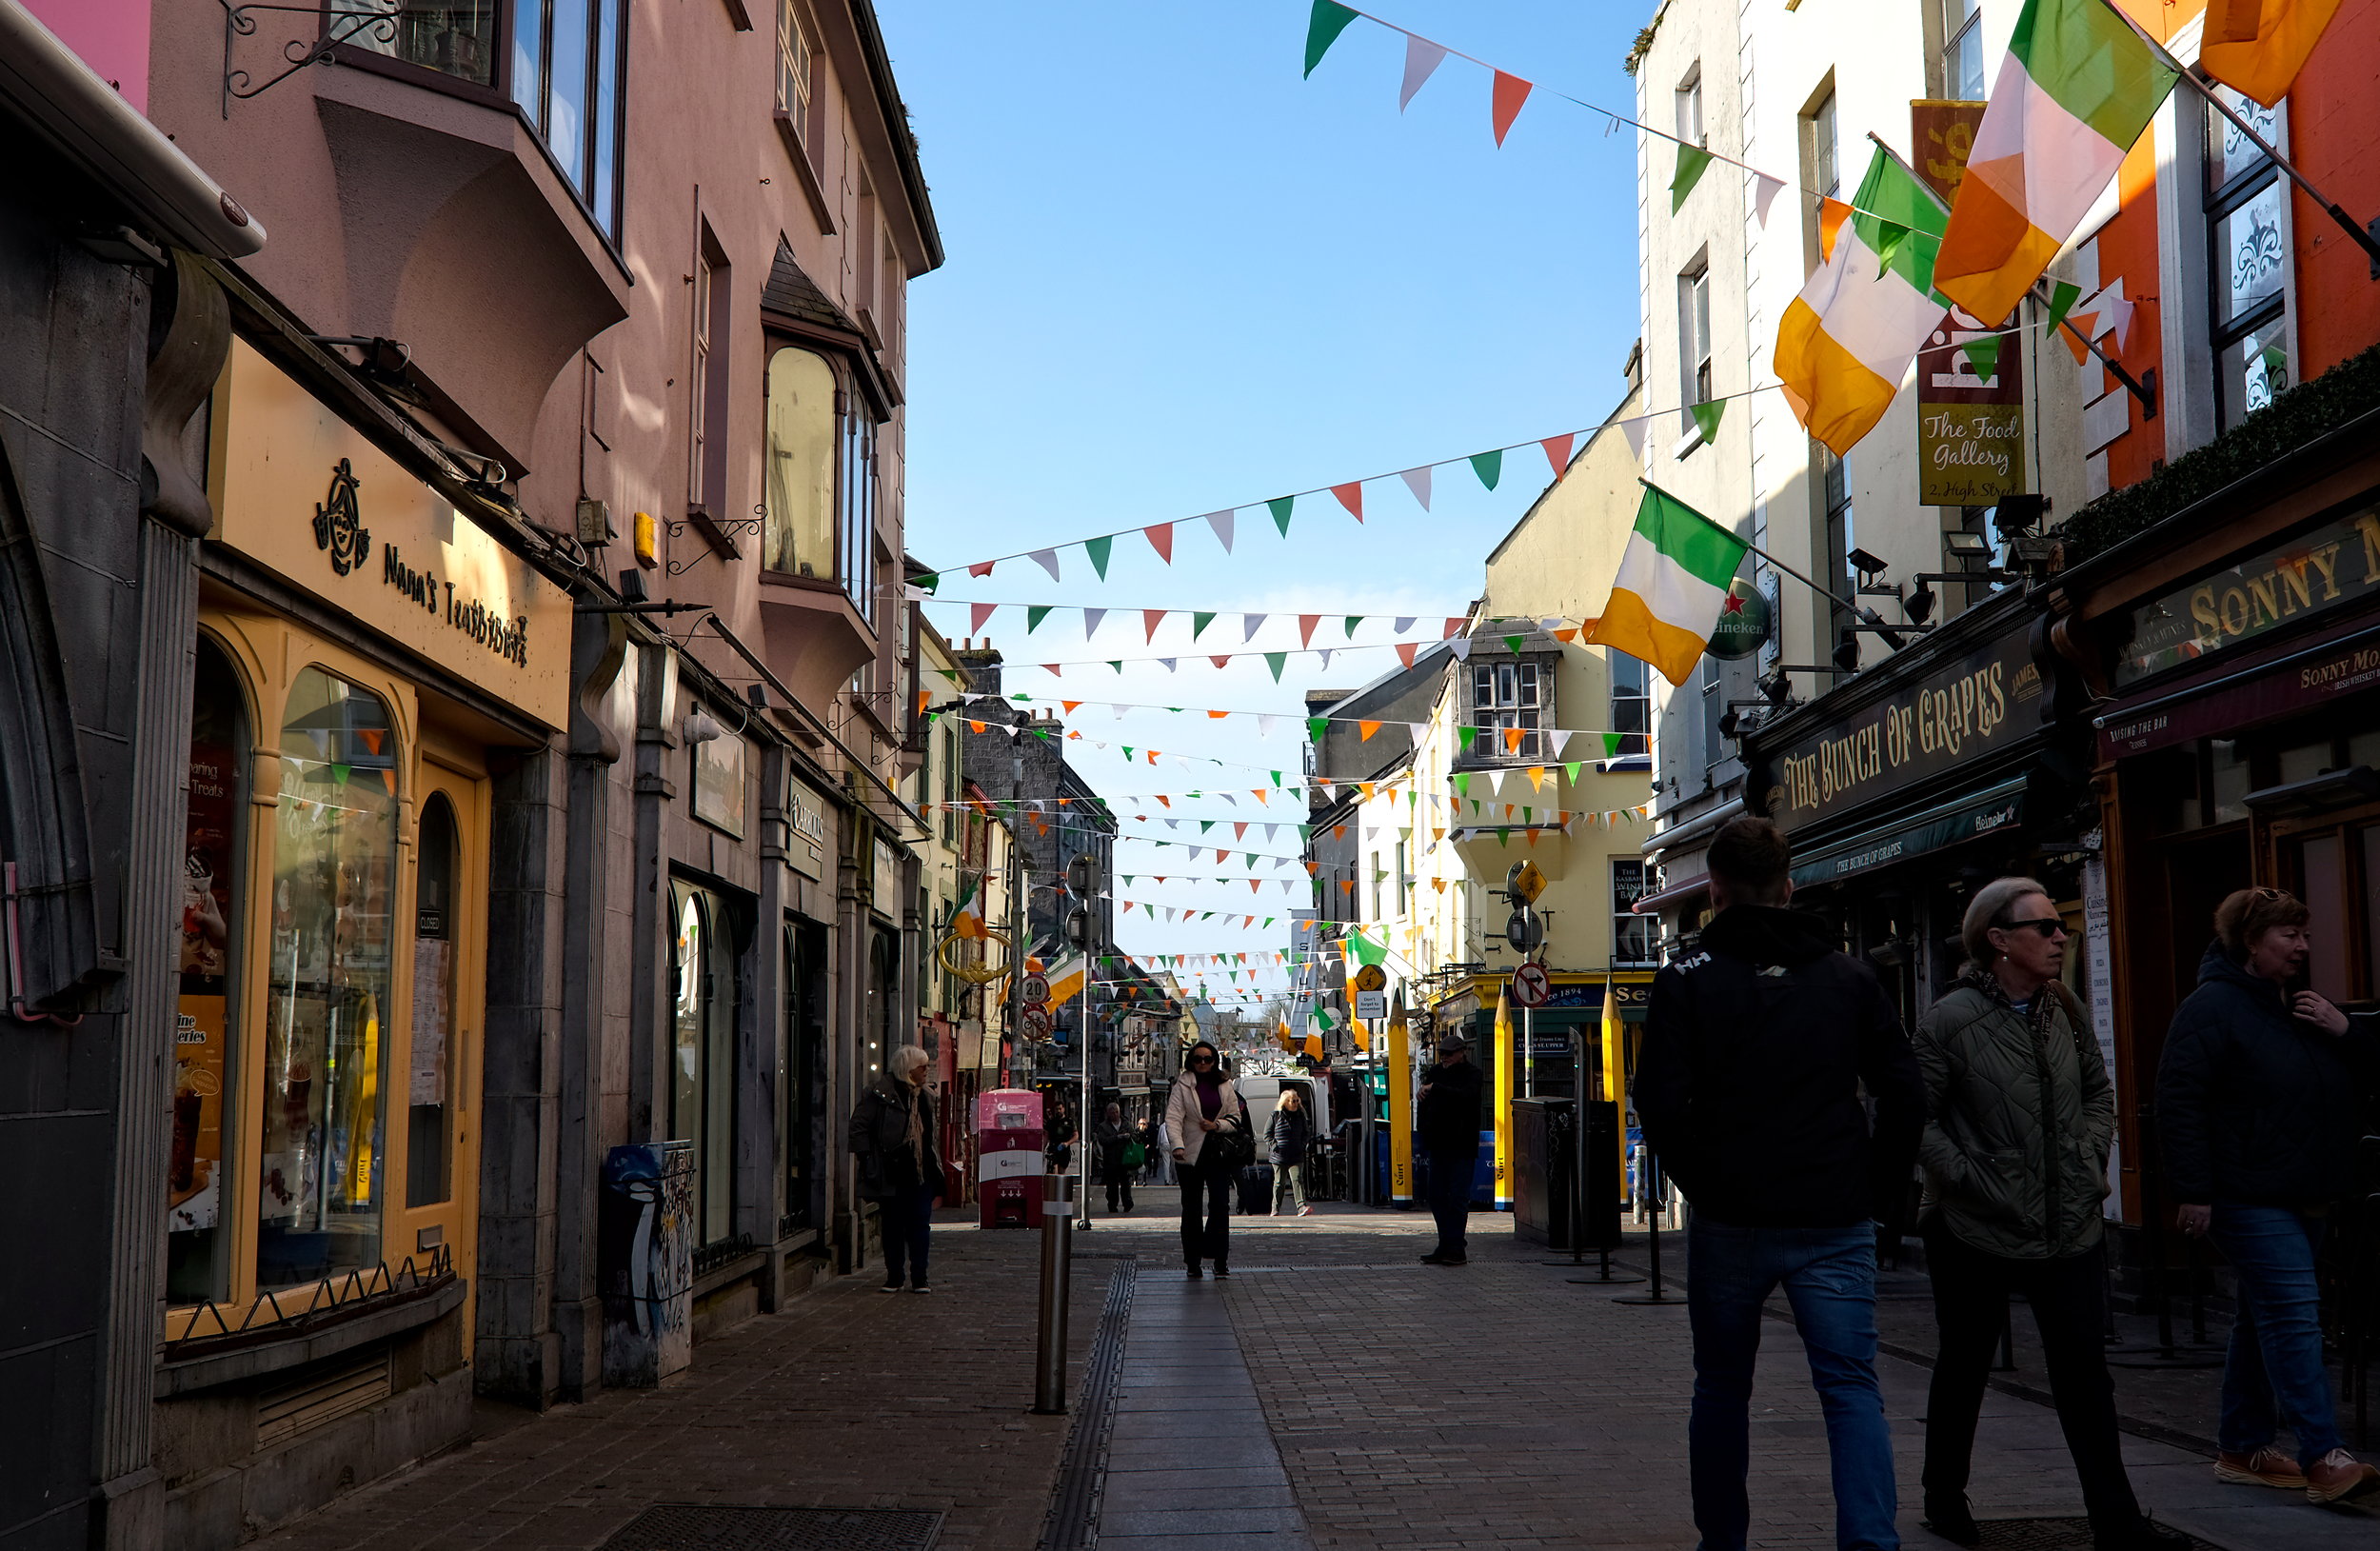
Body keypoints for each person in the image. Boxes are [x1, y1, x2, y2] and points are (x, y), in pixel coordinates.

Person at [1635, 816, 1922, 1551]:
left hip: (1731, 1217)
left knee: (1722, 1387)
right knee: (1851, 1387)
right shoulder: (1850, 977)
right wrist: (1879, 1192)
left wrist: (1703, 1182)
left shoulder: (1685, 983)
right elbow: (1904, 1090)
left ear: (1717, 890)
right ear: (1789, 887)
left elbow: (1660, 1102)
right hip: (1833, 1213)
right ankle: (1869, 1542)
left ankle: (1723, 1538)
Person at [1913, 878, 2185, 1551]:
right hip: (1975, 1225)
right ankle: (1944, 1498)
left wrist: (2090, 1155)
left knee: (2085, 1375)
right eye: (2043, 927)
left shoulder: (2060, 1005)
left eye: (2059, 926)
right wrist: (1973, 1178)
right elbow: (1915, 1118)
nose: (2060, 935)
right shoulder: (1949, 1020)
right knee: (1966, 1363)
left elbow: (2098, 1088)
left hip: (2068, 1224)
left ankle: (2117, 1522)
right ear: (1999, 940)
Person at [2160, 886, 2380, 1506]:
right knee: (2293, 1312)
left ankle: (2243, 1446)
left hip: (2307, 1190)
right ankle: (2324, 1454)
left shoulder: (2300, 1007)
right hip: (2245, 1192)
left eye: (2305, 934)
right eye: (2289, 934)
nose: (2303, 945)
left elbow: (2366, 1075)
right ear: (2251, 941)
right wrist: (2195, 1189)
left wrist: (2347, 1031)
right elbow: (2179, 1101)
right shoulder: (2212, 1007)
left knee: (2263, 1318)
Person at [849, 1044, 945, 1295]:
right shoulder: (879, 1094)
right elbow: (858, 1128)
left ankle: (920, 1277)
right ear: (908, 1069)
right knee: (892, 1226)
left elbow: (930, 1138)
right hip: (892, 1172)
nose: (926, 1071)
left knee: (920, 1225)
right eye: (921, 1067)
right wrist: (869, 1159)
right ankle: (894, 1276)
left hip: (921, 1172)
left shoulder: (925, 1096)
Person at [1164, 1040, 1247, 1279]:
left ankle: (1219, 1258)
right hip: (1189, 1154)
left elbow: (1235, 1118)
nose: (1202, 1063)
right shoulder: (1183, 1084)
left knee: (1220, 1205)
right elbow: (1173, 1118)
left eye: (1207, 1059)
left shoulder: (1225, 1085)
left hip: (1218, 1152)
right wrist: (1177, 1146)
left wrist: (1216, 1125)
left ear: (1214, 1061)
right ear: (1191, 1061)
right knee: (1191, 1208)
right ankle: (1193, 1261)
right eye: (1198, 1059)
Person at [1416, 1033, 1482, 1265]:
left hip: (1462, 1146)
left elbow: (1468, 1096)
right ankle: (1447, 1244)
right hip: (1439, 1146)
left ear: (1462, 1052)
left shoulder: (1472, 1075)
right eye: (1442, 1053)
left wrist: (1437, 1088)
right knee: (1436, 1196)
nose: (1444, 1057)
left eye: (1449, 1054)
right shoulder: (1435, 1073)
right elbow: (1426, 1105)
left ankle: (1455, 1247)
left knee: (1458, 1197)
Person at [1268, 1087, 1315, 1217]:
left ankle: (1301, 1206)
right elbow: (1268, 1134)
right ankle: (1275, 1208)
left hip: (1296, 1154)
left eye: (1296, 1100)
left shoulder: (1301, 1116)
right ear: (1285, 1102)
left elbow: (1306, 1132)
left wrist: (1302, 1145)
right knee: (1279, 1183)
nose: (1295, 1103)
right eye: (1292, 1101)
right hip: (1279, 1155)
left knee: (1297, 1179)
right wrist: (1275, 1146)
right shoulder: (1275, 1116)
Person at [1093, 1102, 1137, 1216]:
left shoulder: (1126, 1123)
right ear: (1108, 1114)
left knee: (1126, 1183)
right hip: (1111, 1161)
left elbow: (1134, 1137)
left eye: (1117, 1112)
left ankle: (1127, 1203)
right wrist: (1117, 1138)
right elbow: (1103, 1141)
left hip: (1125, 1159)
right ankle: (1112, 1205)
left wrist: (1129, 1136)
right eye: (1112, 1113)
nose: (1115, 1115)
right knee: (1112, 1185)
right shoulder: (1103, 1126)